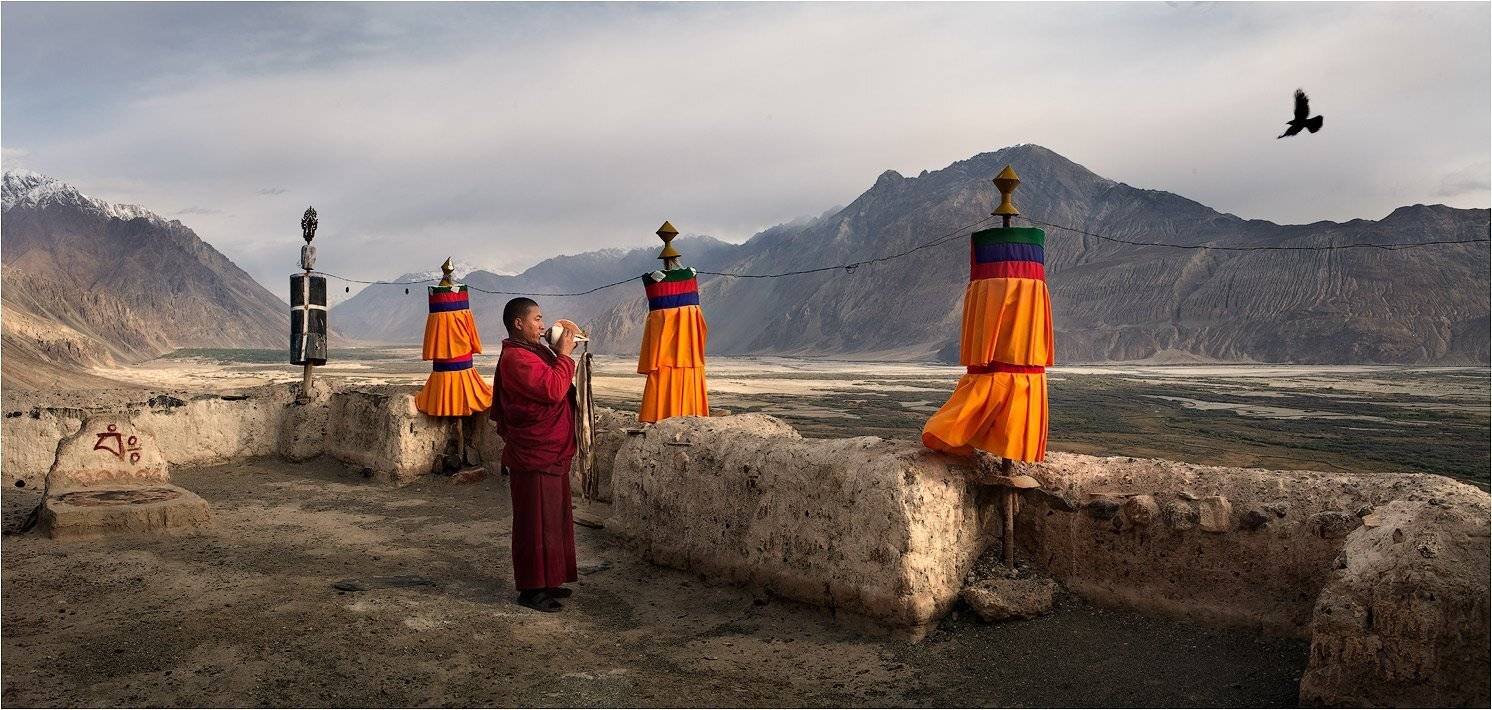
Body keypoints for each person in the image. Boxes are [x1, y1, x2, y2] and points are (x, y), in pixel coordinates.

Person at [489, 297, 580, 612]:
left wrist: (562, 350)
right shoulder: (517, 359)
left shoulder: (534, 351)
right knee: (534, 522)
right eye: (537, 319)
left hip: (549, 448)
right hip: (534, 450)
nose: (543, 326)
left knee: (554, 518)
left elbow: (555, 375)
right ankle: (531, 589)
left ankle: (550, 579)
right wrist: (565, 356)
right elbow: (553, 389)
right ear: (518, 323)